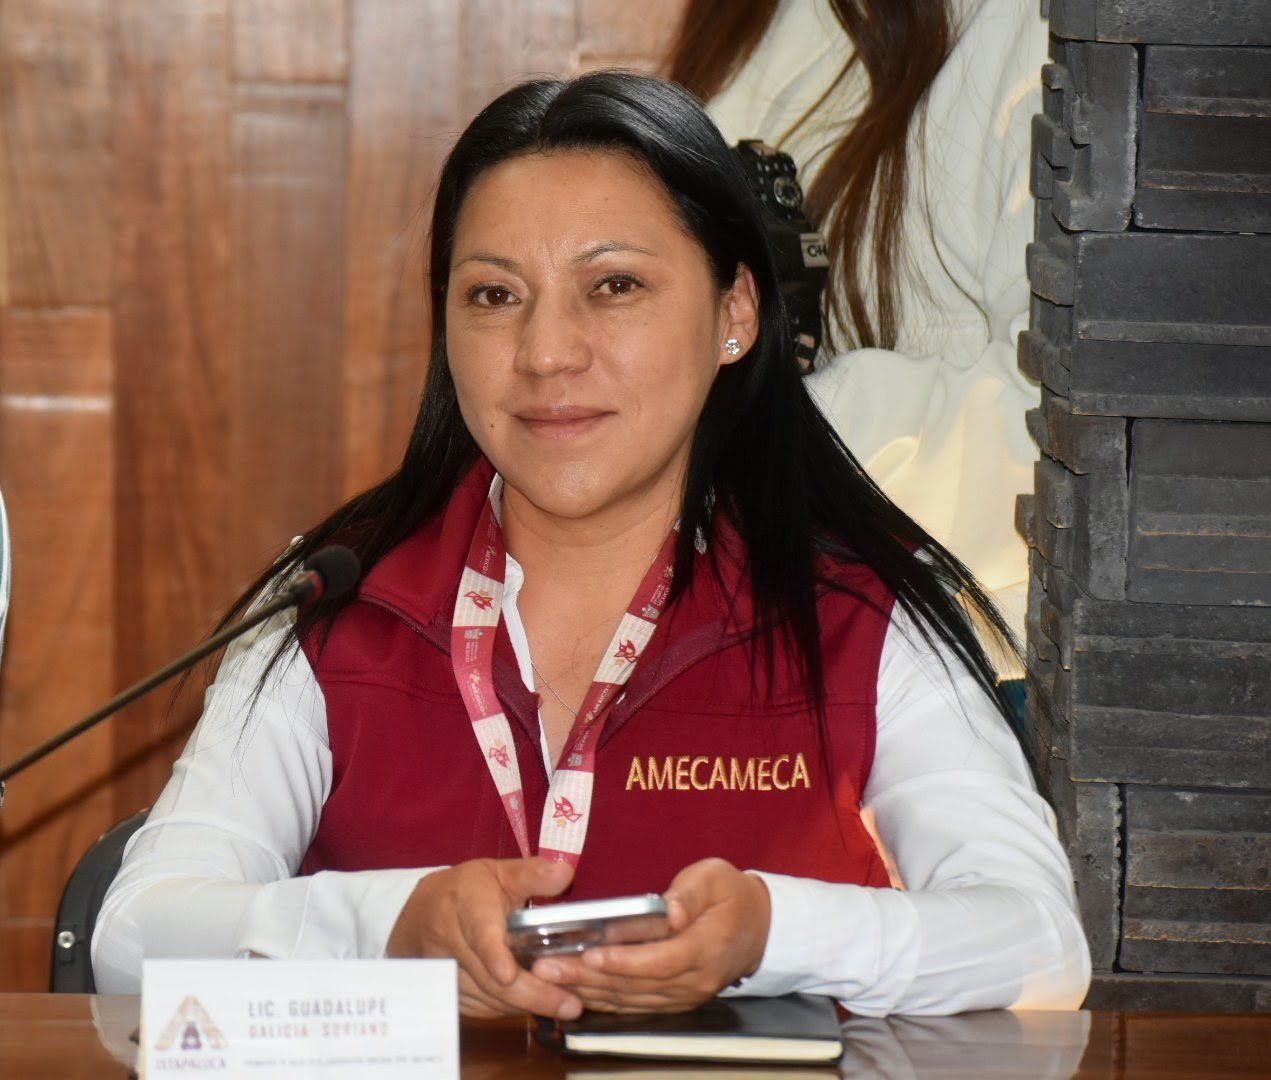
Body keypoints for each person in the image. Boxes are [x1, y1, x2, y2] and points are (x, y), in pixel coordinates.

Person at [93, 72, 1089, 1018]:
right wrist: (388, 925)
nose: (545, 353)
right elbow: (134, 934)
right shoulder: (339, 596)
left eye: (612, 286)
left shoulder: (857, 610)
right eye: (494, 295)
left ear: (734, 313)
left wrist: (770, 934)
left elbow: (1038, 943)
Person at [669, 0, 1046, 656]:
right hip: (747, 614)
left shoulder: (1040, 32)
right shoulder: (743, 19)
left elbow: (1060, 433)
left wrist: (698, 455)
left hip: (933, 653)